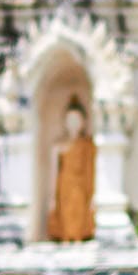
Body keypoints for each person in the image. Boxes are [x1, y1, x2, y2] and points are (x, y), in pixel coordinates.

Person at [47, 99, 95, 242]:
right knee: (65, 214)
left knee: (79, 214)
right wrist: (51, 197)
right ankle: (66, 239)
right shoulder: (58, 145)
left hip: (81, 186)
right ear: (65, 121)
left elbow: (90, 170)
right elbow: (53, 173)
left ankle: (79, 238)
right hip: (64, 186)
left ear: (83, 122)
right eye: (70, 119)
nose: (73, 123)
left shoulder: (87, 145)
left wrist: (93, 194)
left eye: (77, 119)